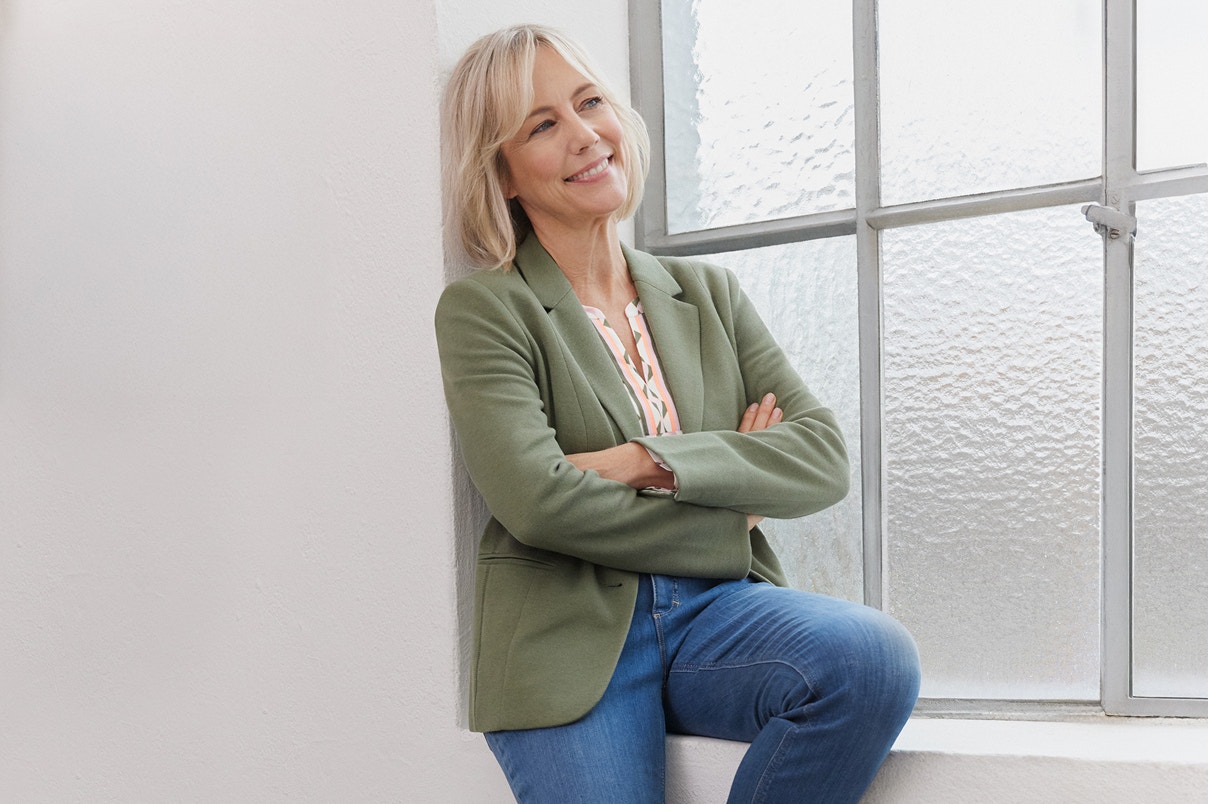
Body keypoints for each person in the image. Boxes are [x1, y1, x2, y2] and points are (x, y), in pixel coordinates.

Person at [435, 23, 920, 804]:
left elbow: (823, 457)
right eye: (543, 125)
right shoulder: (485, 309)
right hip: (568, 633)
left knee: (870, 658)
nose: (587, 136)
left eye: (589, 102)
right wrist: (735, 506)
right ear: (505, 175)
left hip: (718, 615)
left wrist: (644, 461)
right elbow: (537, 501)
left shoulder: (708, 295)